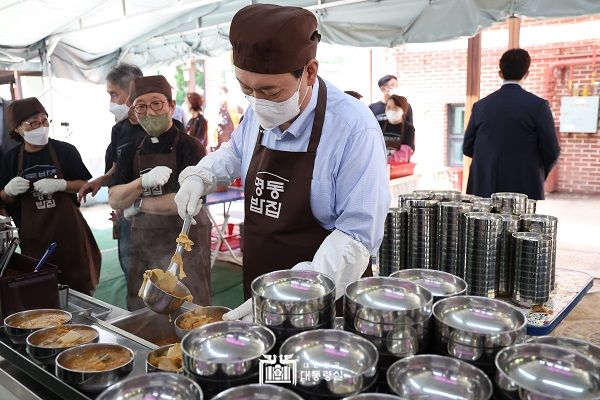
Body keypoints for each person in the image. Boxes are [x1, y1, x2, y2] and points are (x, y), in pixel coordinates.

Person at [174, 3, 390, 321]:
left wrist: (293, 295)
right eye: (246, 88)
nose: (257, 101)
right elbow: (234, 153)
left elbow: (357, 236)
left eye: (270, 91)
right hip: (259, 280)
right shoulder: (258, 111)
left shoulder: (352, 127)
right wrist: (201, 175)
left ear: (310, 72)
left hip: (321, 297)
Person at [108, 75, 211, 310]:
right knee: (141, 303)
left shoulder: (190, 147)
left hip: (186, 242)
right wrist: (141, 182)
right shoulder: (131, 149)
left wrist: (137, 205)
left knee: (191, 304)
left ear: (171, 106)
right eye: (141, 107)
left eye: (157, 103)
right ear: (134, 112)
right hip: (143, 242)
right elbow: (115, 197)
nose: (150, 112)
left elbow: (181, 202)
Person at [0, 98, 101, 294]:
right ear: (18, 129)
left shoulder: (65, 151)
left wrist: (62, 184)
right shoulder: (10, 159)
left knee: (80, 292)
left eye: (44, 120)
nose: (41, 126)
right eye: (33, 123)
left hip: (71, 238)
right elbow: (4, 199)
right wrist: (8, 191)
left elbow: (85, 186)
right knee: (43, 293)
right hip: (34, 242)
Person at [463, 48, 560, 200]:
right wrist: (536, 172)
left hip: (484, 186)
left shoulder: (480, 106)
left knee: (485, 224)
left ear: (500, 73)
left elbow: (467, 148)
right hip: (524, 187)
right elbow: (552, 151)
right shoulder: (538, 106)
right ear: (526, 74)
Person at [78, 63, 144, 279]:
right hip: (126, 213)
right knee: (131, 272)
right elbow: (117, 168)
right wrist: (100, 180)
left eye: (114, 94)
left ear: (132, 91)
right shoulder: (119, 130)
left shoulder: (159, 127)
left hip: (156, 216)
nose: (111, 101)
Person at [382, 94, 415, 163]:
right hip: (380, 167)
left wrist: (386, 161)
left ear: (403, 110)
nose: (391, 110)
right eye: (388, 107)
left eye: (395, 108)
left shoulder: (408, 128)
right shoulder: (380, 125)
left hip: (399, 168)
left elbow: (405, 152)